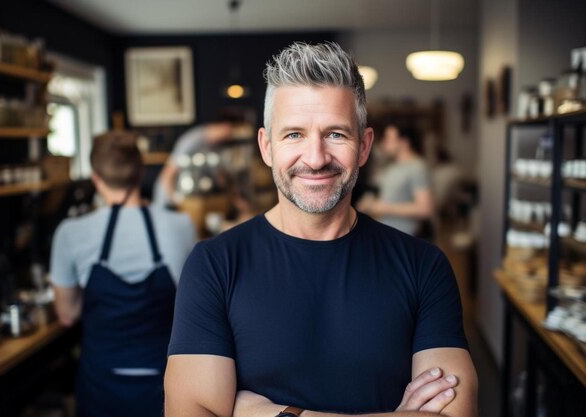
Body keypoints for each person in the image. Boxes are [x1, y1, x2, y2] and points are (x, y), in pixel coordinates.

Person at [164, 42, 477, 416]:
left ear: (364, 146)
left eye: (336, 135)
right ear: (267, 147)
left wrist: (275, 414)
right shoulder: (214, 265)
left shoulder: (424, 266)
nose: (315, 158)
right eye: (293, 134)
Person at [50, 130, 196, 417]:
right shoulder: (181, 225)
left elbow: (67, 314)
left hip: (102, 383)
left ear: (95, 177)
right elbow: (192, 308)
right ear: (141, 172)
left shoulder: (70, 233)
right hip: (165, 382)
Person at [357, 124, 434, 237]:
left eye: (388, 139)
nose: (384, 143)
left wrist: (382, 207)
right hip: (385, 232)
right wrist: (370, 202)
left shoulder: (417, 167)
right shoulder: (392, 166)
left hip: (405, 236)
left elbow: (425, 208)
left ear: (404, 142)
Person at [152, 114, 243, 206]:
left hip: (189, 200)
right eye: (231, 131)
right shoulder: (192, 141)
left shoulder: (216, 146)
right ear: (225, 126)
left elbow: (220, 177)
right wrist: (176, 200)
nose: (231, 136)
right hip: (169, 199)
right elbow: (167, 175)